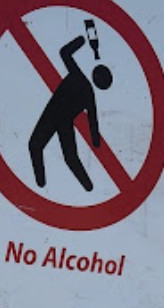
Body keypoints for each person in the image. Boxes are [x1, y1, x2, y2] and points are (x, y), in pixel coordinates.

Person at [28, 33, 112, 192]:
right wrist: (95, 141)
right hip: (60, 120)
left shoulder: (78, 76)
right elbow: (92, 120)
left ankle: (42, 183)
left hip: (54, 116)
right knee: (69, 157)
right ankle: (87, 187)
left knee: (36, 146)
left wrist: (81, 40)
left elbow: (65, 53)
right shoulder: (89, 93)